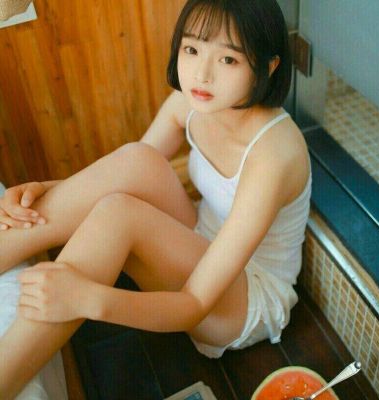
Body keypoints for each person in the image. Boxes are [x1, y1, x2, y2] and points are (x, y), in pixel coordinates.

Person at [0, 0, 311, 397]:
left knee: (118, 214)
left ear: (268, 67)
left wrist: (88, 299)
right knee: (138, 159)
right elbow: (121, 175)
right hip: (200, 242)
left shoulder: (275, 156)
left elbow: (195, 303)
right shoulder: (193, 102)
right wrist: (46, 188)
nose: (202, 73)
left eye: (228, 60)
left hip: (243, 298)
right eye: (192, 49)